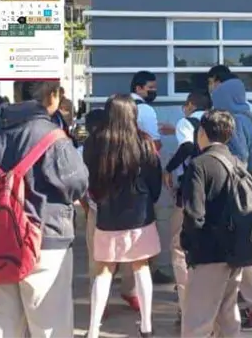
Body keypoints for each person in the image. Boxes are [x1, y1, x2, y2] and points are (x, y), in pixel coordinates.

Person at [0, 80, 88, 337]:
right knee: (49, 325)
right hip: (45, 238)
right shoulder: (53, 136)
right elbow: (78, 183)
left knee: (2, 325)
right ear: (52, 96)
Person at [84, 95, 163, 338]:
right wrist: (148, 200)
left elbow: (89, 178)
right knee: (141, 267)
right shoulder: (144, 142)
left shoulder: (95, 142)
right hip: (140, 213)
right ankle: (146, 325)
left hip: (107, 213)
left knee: (104, 270)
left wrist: (97, 198)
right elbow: (155, 181)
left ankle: (93, 329)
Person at [209, 73, 252, 330]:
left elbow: (240, 158)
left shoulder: (236, 121)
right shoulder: (251, 116)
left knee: (244, 253)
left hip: (240, 195)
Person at [179, 110, 245, 337]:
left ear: (202, 133)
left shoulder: (199, 165)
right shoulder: (237, 162)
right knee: (227, 315)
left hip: (208, 253)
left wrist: (188, 246)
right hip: (235, 249)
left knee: (197, 321)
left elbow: (194, 215)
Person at [80, 108, 140, 313]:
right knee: (127, 255)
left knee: (101, 258)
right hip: (113, 209)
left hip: (105, 208)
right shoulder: (93, 148)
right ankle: (119, 294)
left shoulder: (118, 145)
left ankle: (109, 298)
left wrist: (87, 206)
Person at [166, 90, 210, 322]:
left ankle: (186, 305)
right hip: (215, 190)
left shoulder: (186, 122)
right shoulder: (216, 121)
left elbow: (186, 148)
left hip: (191, 190)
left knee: (179, 245)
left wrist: (168, 168)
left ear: (190, 105)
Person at [128, 70, 176, 285]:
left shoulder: (117, 106)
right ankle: (151, 268)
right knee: (151, 221)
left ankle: (124, 273)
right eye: (151, 88)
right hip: (144, 173)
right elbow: (155, 144)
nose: (154, 92)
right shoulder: (145, 109)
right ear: (138, 88)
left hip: (118, 172)